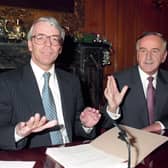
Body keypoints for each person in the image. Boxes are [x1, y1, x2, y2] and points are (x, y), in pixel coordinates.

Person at [0, 16, 101, 150]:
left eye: (54, 39)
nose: (48, 44)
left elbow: (75, 125)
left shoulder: (72, 82)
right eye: (40, 37)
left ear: (60, 48)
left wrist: (86, 125)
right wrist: (17, 133)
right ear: (30, 44)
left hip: (69, 155)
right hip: (33, 157)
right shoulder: (6, 82)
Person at [102, 32, 168, 133]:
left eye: (155, 51)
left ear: (164, 56)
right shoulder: (118, 80)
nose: (148, 57)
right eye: (143, 51)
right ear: (137, 55)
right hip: (130, 145)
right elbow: (105, 123)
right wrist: (113, 109)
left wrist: (158, 125)